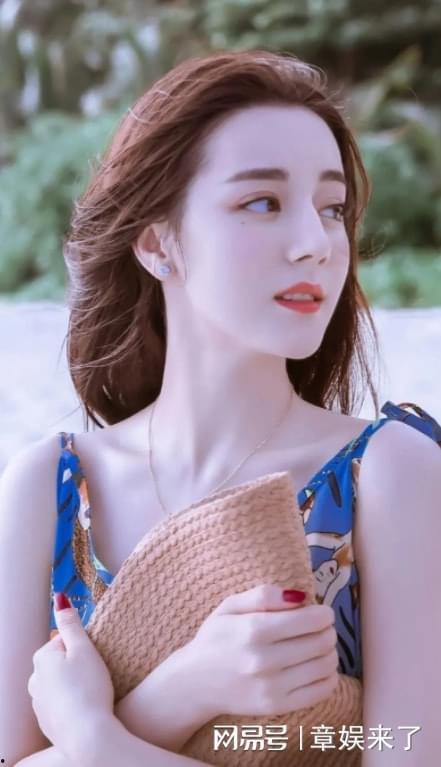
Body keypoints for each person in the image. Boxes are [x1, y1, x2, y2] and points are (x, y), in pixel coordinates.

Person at [1, 49, 440, 767]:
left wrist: (95, 737)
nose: (316, 244)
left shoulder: (390, 474)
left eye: (331, 209)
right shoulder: (46, 485)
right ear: (156, 242)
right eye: (262, 202)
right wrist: (185, 689)